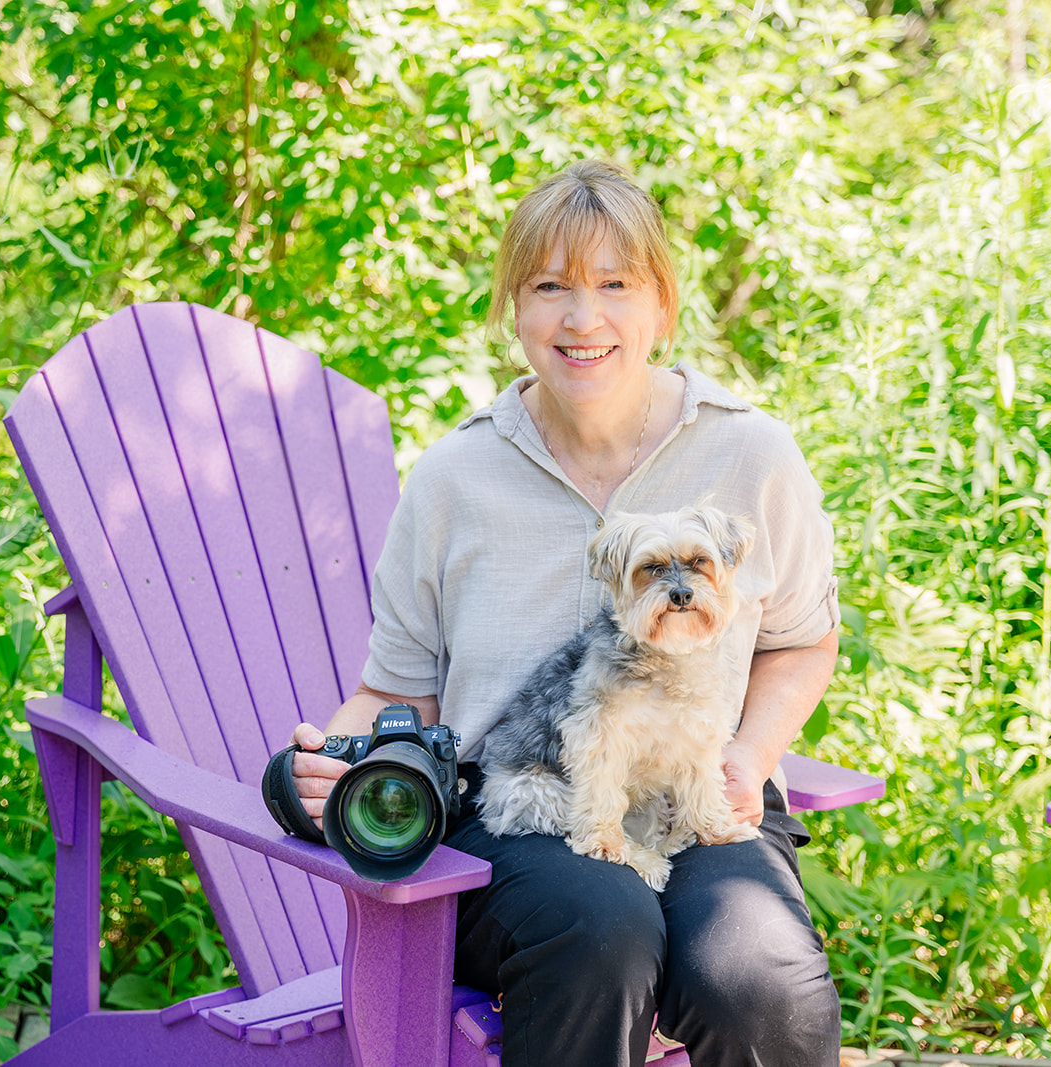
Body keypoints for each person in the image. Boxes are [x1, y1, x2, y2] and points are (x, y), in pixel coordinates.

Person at [288, 159, 842, 1067]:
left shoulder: (752, 452)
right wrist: (334, 766)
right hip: (518, 813)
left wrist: (753, 753)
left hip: (700, 790)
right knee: (600, 925)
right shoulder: (454, 479)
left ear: (661, 304)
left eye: (614, 285)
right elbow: (395, 689)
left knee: (759, 976)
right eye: (550, 287)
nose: (582, 320)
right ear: (517, 308)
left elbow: (802, 641)